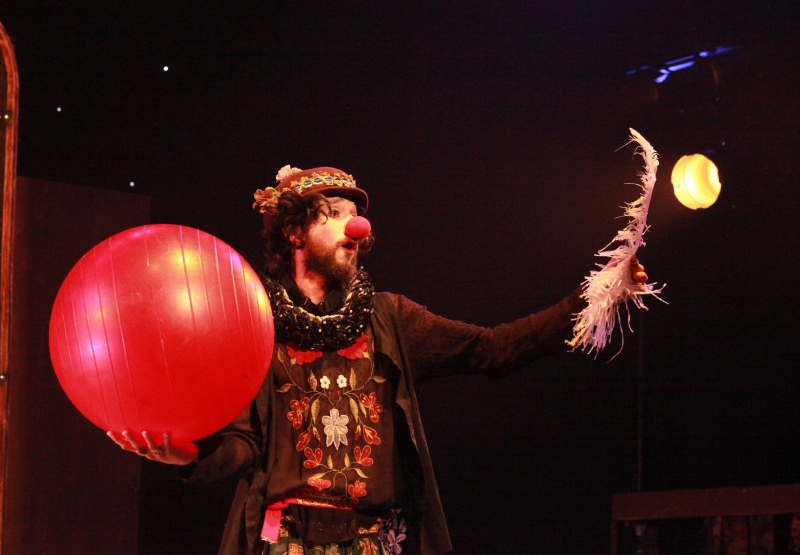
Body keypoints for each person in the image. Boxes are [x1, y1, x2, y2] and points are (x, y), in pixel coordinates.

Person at [109, 165, 649, 554]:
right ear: (295, 231)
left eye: (357, 216)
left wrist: (595, 297)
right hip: (285, 540)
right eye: (334, 215)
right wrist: (189, 459)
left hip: (370, 542)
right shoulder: (256, 323)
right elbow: (245, 447)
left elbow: (493, 349)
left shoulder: (390, 318)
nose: (355, 227)